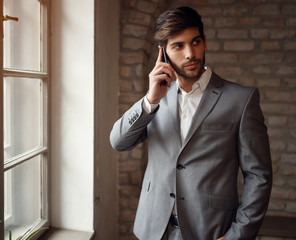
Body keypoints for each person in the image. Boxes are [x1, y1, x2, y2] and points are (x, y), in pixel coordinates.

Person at [110, 6, 272, 240]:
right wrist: (150, 100)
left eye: (195, 42)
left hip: (210, 231)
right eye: (178, 46)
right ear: (163, 53)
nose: (190, 54)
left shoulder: (241, 100)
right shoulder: (157, 99)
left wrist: (238, 235)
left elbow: (259, 175)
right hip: (154, 230)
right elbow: (118, 141)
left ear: (205, 42)